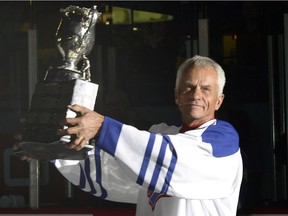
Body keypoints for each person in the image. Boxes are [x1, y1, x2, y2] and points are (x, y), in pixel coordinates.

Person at [16, 55, 243, 215]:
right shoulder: (160, 137)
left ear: (219, 100)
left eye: (206, 89)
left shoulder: (223, 141)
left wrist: (103, 126)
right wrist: (53, 146)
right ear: (177, 96)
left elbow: (171, 159)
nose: (196, 95)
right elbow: (112, 173)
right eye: (189, 87)